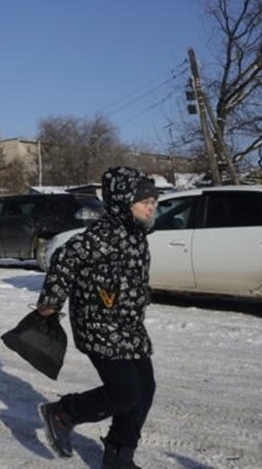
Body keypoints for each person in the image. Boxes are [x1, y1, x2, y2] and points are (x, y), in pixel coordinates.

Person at [35, 166, 159, 469]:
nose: (152, 206)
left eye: (154, 201)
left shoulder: (135, 234)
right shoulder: (102, 234)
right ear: (124, 202)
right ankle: (63, 413)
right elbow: (64, 259)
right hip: (98, 325)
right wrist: (51, 302)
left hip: (128, 324)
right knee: (125, 393)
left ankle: (119, 458)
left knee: (144, 391)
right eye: (145, 201)